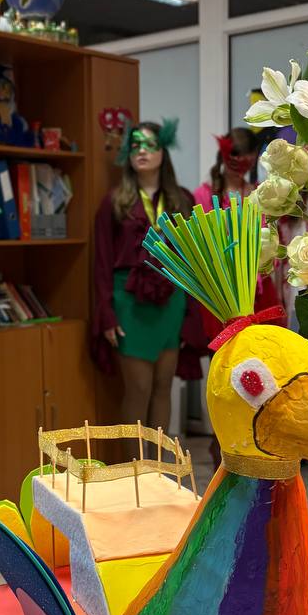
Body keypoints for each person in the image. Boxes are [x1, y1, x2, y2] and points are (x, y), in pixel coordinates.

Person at [93, 119, 193, 436]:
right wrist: (106, 314)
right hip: (129, 303)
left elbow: (193, 260)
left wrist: (190, 313)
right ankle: (136, 465)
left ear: (164, 152)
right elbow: (101, 262)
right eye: (135, 145)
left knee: (163, 387)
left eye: (150, 145)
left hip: (171, 300)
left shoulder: (182, 199)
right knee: (138, 390)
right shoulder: (114, 201)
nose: (142, 151)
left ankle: (158, 464)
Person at [194, 127, 280, 469]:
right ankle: (223, 444)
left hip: (259, 293)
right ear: (223, 154)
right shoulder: (203, 195)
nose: (240, 161)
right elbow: (202, 246)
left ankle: (257, 441)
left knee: (261, 366)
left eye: (246, 154)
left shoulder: (259, 194)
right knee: (225, 368)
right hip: (222, 295)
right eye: (234, 153)